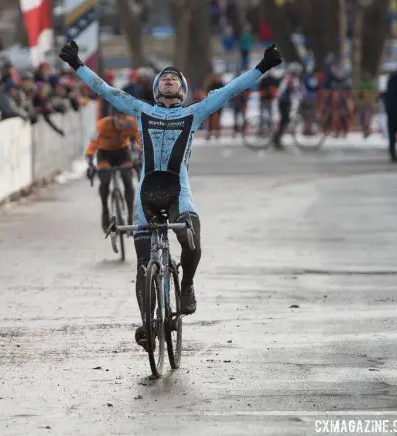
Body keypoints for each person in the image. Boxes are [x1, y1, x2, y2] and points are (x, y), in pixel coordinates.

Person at [59, 39, 282, 350]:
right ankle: (147, 326)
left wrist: (262, 67)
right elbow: (105, 91)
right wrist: (77, 65)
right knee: (142, 264)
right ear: (155, 88)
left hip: (178, 191)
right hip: (146, 193)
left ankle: (187, 283)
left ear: (183, 90)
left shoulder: (195, 112)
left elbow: (231, 90)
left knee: (191, 237)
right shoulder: (140, 110)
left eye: (174, 77)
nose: (168, 79)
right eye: (164, 77)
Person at [85, 107, 141, 232]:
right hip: (105, 154)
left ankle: (131, 215)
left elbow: (140, 141)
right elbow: (92, 144)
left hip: (123, 153)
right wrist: (89, 161)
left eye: (124, 117)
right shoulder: (102, 125)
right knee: (105, 181)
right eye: (118, 118)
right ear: (112, 117)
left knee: (127, 179)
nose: (121, 122)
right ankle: (105, 210)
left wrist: (141, 158)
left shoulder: (131, 123)